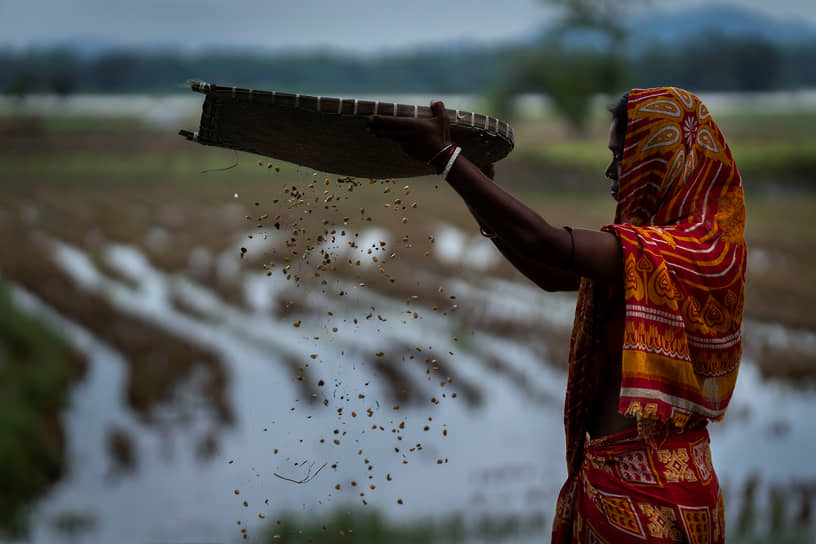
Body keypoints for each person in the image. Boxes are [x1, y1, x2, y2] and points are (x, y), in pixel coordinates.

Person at [369, 86, 745, 543]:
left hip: (649, 501)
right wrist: (477, 191)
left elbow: (545, 242)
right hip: (652, 485)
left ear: (659, 160)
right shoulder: (668, 253)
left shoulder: (682, 254)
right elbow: (548, 273)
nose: (611, 170)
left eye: (619, 156)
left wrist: (447, 159)